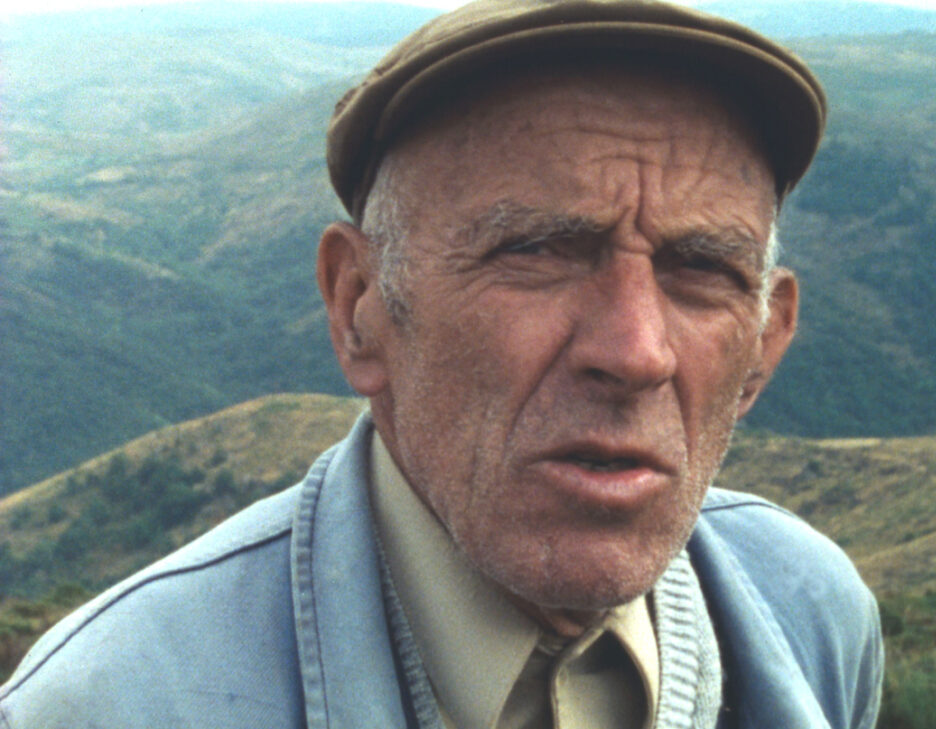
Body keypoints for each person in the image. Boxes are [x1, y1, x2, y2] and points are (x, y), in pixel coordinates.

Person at [0, 1, 883, 727]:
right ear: (360, 308)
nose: (637, 352)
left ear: (764, 344)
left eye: (703, 270)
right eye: (536, 250)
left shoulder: (814, 611)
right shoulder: (110, 704)